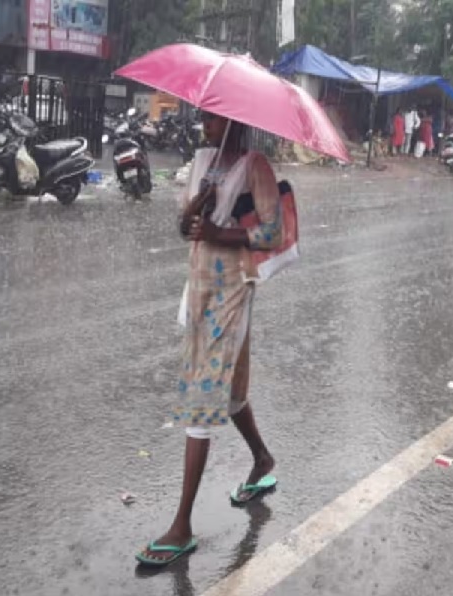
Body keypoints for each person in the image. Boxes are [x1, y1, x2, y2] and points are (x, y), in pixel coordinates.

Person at [136, 111, 281, 567]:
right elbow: (186, 231)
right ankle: (262, 459)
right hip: (199, 286)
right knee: (230, 392)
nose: (204, 121)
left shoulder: (256, 166)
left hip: (235, 291)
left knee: (203, 393)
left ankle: (182, 526)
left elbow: (273, 232)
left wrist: (225, 232)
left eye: (214, 117)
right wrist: (194, 209)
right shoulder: (201, 161)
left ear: (237, 120)